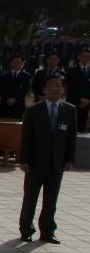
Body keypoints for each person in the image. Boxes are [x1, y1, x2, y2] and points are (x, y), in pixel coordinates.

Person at [18, 72, 78, 244]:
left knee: (51, 201)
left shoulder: (70, 110)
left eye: (58, 85)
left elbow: (71, 138)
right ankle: (26, 229)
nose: (55, 88)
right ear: (44, 89)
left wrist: (69, 159)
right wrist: (23, 159)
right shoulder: (34, 110)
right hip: (35, 164)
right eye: (51, 85)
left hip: (57, 164)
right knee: (30, 199)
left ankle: (48, 231)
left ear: (63, 89)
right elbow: (26, 137)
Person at [0, 53, 31, 120]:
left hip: (19, 106)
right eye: (14, 62)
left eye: (19, 62)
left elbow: (25, 90)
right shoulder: (3, 76)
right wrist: (7, 98)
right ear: (10, 63)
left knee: (17, 128)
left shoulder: (26, 76)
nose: (16, 64)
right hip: (5, 105)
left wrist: (15, 99)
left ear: (22, 64)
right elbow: (0, 89)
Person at [67, 44, 90, 132]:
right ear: (79, 57)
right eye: (84, 56)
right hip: (73, 104)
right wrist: (80, 99)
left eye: (88, 56)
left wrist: (88, 100)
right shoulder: (72, 70)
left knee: (82, 128)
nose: (86, 58)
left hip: (86, 105)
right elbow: (70, 88)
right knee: (71, 128)